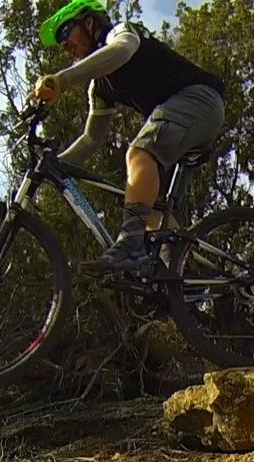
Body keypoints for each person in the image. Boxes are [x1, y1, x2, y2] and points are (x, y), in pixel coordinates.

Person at [32, 0, 225, 274]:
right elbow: (91, 139)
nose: (64, 44)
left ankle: (130, 248)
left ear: (89, 23)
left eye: (66, 32)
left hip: (199, 99)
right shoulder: (99, 88)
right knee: (151, 211)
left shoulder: (120, 33)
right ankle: (183, 277)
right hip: (185, 120)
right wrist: (54, 164)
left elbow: (122, 51)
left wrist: (63, 80)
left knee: (138, 154)